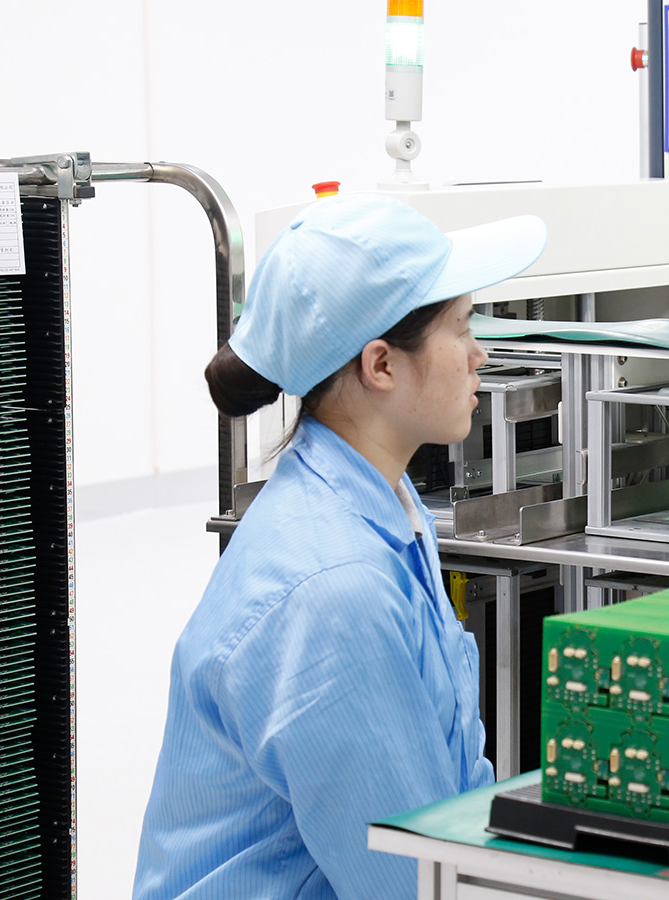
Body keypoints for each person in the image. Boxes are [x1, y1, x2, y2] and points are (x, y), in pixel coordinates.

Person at [133, 194, 547, 900]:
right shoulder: (334, 588)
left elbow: (451, 798)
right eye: (461, 328)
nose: (480, 354)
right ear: (381, 365)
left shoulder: (383, 505)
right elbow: (406, 879)